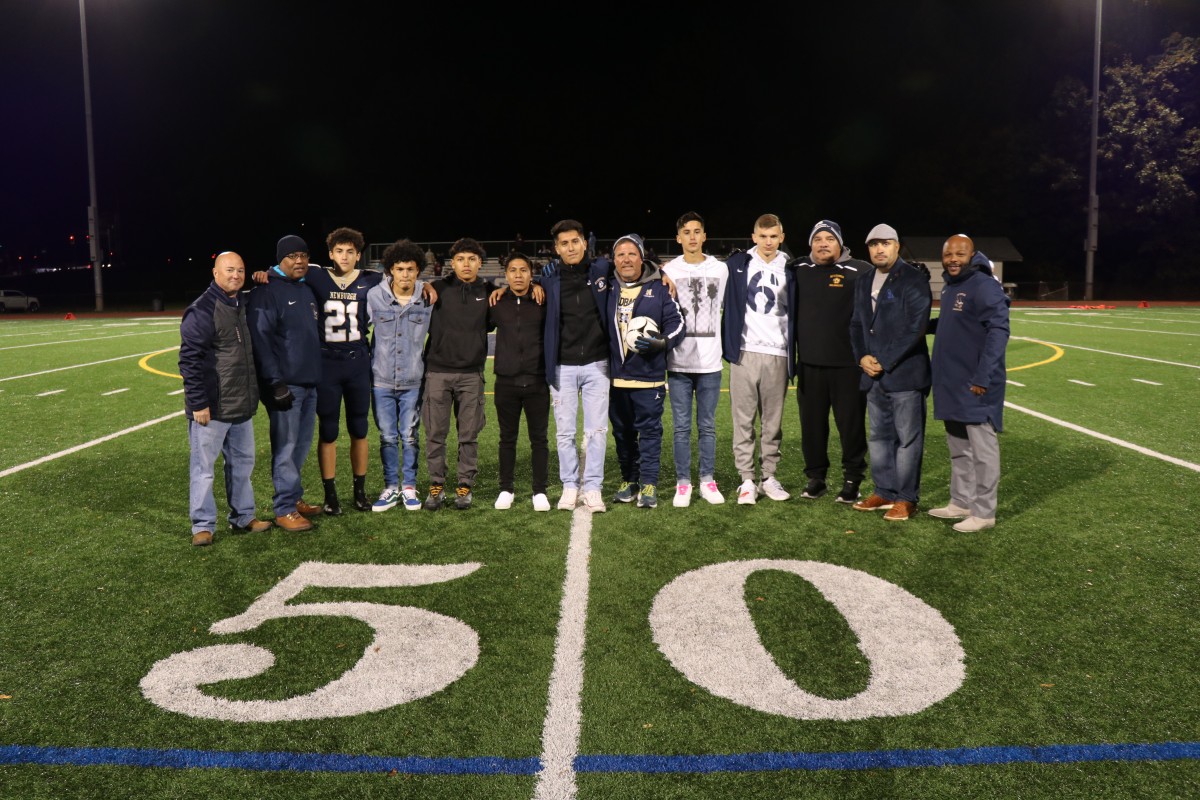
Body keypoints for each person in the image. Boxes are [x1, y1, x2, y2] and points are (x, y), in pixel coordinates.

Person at [179, 251, 272, 546]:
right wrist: (198, 403)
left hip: (241, 404)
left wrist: (262, 277)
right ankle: (202, 525)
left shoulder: (242, 302)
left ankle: (243, 517)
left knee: (243, 465)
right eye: (230, 270)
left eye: (241, 270)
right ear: (215, 273)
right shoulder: (202, 310)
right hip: (214, 407)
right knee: (204, 470)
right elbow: (189, 361)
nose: (236, 275)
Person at [848, 224, 932, 522]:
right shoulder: (864, 280)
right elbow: (857, 325)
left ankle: (906, 498)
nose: (878, 249)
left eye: (885, 243)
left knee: (907, 438)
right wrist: (862, 358)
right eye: (873, 245)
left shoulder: (913, 278)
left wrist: (882, 359)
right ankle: (884, 490)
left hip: (905, 374)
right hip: (873, 375)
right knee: (879, 437)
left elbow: (916, 326)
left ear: (897, 246)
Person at [928, 234, 1010, 532]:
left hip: (974, 383)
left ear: (972, 255)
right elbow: (955, 324)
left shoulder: (983, 284)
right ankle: (961, 501)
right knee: (959, 446)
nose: (953, 259)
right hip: (951, 381)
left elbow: (998, 331)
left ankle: (984, 511)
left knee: (982, 450)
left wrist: (982, 376)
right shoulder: (954, 286)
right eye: (948, 253)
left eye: (959, 254)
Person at [789, 220, 869, 504]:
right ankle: (816, 478)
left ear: (840, 243)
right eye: (818, 239)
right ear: (811, 243)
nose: (823, 243)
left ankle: (852, 480)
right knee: (811, 425)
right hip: (809, 364)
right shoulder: (798, 269)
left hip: (848, 366)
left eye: (829, 239)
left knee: (851, 426)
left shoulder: (860, 270)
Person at [247, 235, 324, 532]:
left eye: (304, 255)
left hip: (309, 383)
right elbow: (261, 341)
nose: (300, 260)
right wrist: (275, 382)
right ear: (281, 259)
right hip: (286, 385)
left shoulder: (304, 289)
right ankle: (283, 508)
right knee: (286, 446)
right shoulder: (266, 291)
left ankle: (293, 498)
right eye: (292, 256)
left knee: (300, 446)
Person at [605, 234, 685, 508]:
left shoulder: (660, 289)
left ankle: (649, 483)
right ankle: (630, 479)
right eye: (620, 255)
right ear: (614, 260)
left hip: (649, 378)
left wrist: (661, 342)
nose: (626, 259)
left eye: (631, 254)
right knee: (622, 433)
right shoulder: (607, 287)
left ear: (642, 258)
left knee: (649, 433)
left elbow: (677, 323)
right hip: (615, 378)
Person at [307, 227, 382, 515]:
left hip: (357, 362)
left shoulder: (372, 280)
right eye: (339, 250)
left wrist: (426, 286)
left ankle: (359, 492)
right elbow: (282, 273)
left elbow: (407, 283)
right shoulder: (316, 275)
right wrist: (266, 274)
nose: (345, 256)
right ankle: (330, 495)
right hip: (327, 363)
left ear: (359, 254)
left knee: (360, 428)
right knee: (328, 430)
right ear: (330, 253)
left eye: (351, 251)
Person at [540, 219, 614, 513]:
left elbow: (636, 267)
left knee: (597, 430)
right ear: (556, 248)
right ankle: (570, 486)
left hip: (598, 362)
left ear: (585, 243)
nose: (570, 247)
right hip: (562, 366)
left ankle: (593, 487)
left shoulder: (601, 270)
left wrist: (661, 276)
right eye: (564, 243)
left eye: (575, 241)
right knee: (565, 432)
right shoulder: (549, 277)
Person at [721, 213, 795, 505]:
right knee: (743, 421)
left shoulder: (791, 267)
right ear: (753, 237)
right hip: (745, 352)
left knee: (772, 423)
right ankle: (747, 480)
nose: (767, 242)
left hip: (778, 352)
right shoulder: (737, 263)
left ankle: (769, 477)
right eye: (762, 236)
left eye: (773, 236)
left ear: (781, 237)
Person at [422, 237, 494, 510]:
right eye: (461, 259)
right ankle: (436, 485)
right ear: (453, 263)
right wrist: (423, 284)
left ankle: (464, 486)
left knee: (469, 435)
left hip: (471, 374)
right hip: (438, 372)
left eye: (472, 259)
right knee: (435, 434)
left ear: (479, 263)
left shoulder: (490, 292)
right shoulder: (437, 288)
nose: (466, 264)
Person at [661, 211, 728, 507]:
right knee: (681, 427)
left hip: (711, 362)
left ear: (704, 236)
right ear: (678, 238)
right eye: (686, 232)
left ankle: (707, 480)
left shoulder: (720, 269)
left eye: (696, 231)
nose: (691, 236)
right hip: (678, 362)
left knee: (708, 426)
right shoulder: (668, 270)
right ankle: (683, 482)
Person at [366, 239, 432, 513]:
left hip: (413, 381)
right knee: (387, 436)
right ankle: (391, 486)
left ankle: (409, 486)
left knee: (410, 435)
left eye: (410, 269)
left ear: (419, 271)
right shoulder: (374, 296)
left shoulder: (427, 298)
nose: (405, 274)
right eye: (400, 268)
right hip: (381, 379)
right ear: (390, 270)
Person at [489, 252, 551, 511]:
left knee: (539, 439)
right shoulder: (497, 302)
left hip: (537, 381)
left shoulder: (542, 300)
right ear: (506, 276)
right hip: (506, 382)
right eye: (513, 270)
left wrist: (539, 287)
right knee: (507, 438)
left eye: (523, 270)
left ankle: (540, 491)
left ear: (531, 274)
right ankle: (506, 488)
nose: (518, 275)